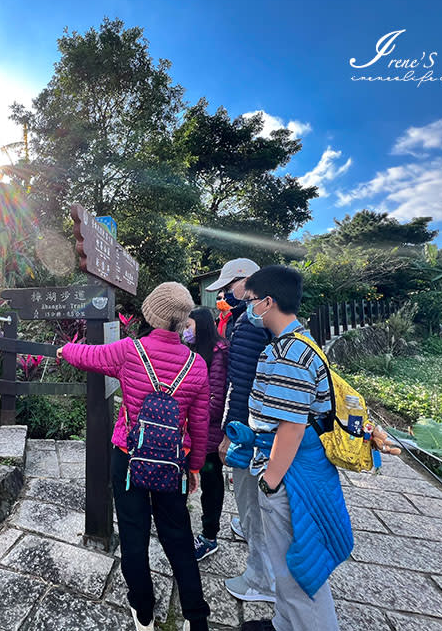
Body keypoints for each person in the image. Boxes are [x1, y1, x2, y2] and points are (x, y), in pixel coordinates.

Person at [57, 282, 211, 631]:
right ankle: (196, 618)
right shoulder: (197, 365)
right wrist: (196, 466)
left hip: (129, 458)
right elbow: (199, 424)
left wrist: (64, 350)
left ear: (151, 313)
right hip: (173, 463)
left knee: (133, 534)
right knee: (178, 536)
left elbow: (87, 356)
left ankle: (143, 614)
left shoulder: (129, 351)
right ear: (183, 320)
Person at [227, 265, 353, 631]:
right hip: (293, 467)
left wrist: (270, 481)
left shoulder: (288, 355)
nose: (248, 308)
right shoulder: (297, 342)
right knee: (289, 562)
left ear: (268, 302)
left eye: (251, 301)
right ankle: (285, 623)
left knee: (298, 568)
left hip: (291, 475)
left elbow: (291, 427)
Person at [205, 258, 276, 604]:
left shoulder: (249, 324)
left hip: (252, 427)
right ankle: (247, 529)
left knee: (253, 494)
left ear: (246, 282)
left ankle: (262, 580)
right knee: (254, 498)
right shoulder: (260, 319)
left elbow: (243, 384)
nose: (223, 294)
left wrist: (230, 434)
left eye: (227, 287)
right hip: (268, 424)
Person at [184, 308, 230, 561]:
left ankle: (209, 537)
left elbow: (215, 401)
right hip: (194, 429)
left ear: (200, 327)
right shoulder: (196, 351)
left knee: (211, 485)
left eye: (189, 326)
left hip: (209, 435)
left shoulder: (218, 353)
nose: (186, 331)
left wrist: (188, 409)